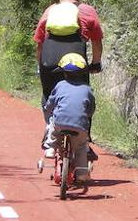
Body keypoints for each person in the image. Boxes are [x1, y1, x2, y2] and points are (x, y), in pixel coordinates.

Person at [34, 0, 103, 123]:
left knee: (48, 93)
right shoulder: (88, 11)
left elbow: (39, 43)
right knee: (83, 93)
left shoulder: (50, 11)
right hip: (76, 58)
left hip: (50, 57)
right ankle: (84, 135)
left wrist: (41, 65)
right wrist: (95, 63)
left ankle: (50, 129)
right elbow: (96, 41)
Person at [43, 53, 96, 182]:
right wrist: (86, 115)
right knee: (81, 147)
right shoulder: (87, 89)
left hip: (60, 124)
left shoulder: (60, 85)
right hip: (80, 126)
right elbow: (91, 108)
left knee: (52, 122)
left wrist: (47, 112)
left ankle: (51, 147)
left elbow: (50, 104)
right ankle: (82, 173)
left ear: (64, 73)